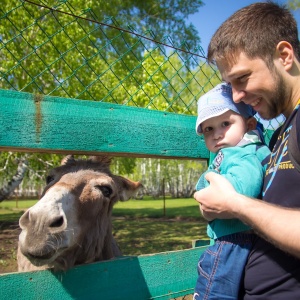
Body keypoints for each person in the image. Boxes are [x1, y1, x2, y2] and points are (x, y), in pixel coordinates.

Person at [194, 2, 300, 298]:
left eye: (242, 78)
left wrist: (235, 204)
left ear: (284, 55)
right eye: (230, 84)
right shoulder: (278, 134)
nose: (237, 95)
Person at [193, 82, 270, 300]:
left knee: (213, 290)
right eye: (208, 129)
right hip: (242, 239)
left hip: (231, 242)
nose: (217, 134)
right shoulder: (245, 150)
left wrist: (206, 191)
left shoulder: (241, 154)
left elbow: (245, 186)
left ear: (249, 124)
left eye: (225, 123)